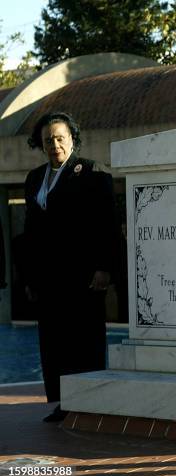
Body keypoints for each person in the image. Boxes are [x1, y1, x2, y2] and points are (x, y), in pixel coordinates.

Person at [24, 112, 117, 422]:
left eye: (60, 138)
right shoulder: (34, 178)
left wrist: (104, 267)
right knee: (53, 343)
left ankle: (90, 401)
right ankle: (63, 402)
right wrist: (28, 275)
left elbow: (107, 224)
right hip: (48, 279)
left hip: (83, 277)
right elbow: (30, 231)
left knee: (83, 340)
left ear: (73, 138)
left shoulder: (92, 172)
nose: (54, 145)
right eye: (48, 140)